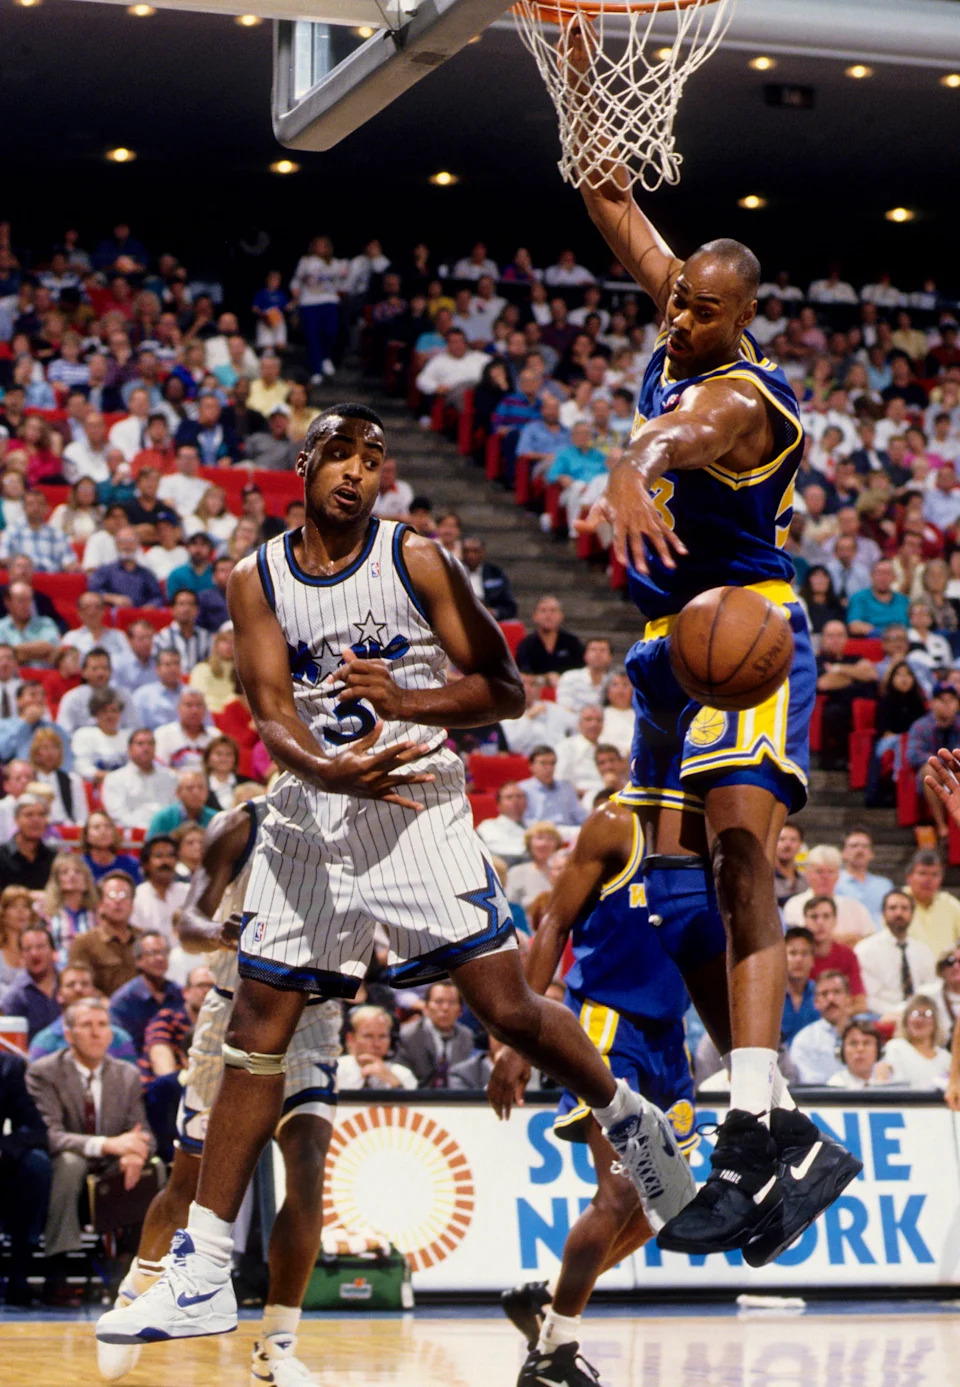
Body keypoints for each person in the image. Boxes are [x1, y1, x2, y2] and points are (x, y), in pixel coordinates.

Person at [97, 401, 678, 1348]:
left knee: (506, 1007)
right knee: (255, 1021)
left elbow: (504, 689)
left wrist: (406, 700)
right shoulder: (255, 578)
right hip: (309, 807)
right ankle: (203, 1269)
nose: (358, 471)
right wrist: (326, 771)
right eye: (341, 453)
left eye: (374, 459)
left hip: (415, 801)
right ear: (304, 464)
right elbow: (269, 709)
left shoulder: (415, 559)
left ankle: (633, 1120)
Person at [96, 798, 342, 1385]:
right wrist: (217, 933)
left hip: (314, 1020)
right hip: (236, 1014)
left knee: (308, 1168)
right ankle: (137, 1291)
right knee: (189, 1186)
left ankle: (277, 1344)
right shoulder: (242, 824)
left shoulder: (361, 829)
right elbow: (187, 923)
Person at [26, 997, 156, 1297]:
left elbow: (144, 1132)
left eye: (102, 1025)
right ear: (69, 1034)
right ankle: (59, 1266)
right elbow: (51, 1136)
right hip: (66, 1161)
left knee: (152, 1166)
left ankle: (134, 1262)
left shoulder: (127, 1074)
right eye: (87, 1025)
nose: (96, 1033)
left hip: (112, 1164)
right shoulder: (44, 1072)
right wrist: (108, 1144)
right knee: (70, 1163)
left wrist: (136, 1152)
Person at [0, 1048, 51, 1306]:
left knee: (36, 1165)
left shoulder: (8, 1067)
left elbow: (36, 1130)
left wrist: (4, 1148)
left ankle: (19, 1273)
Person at [28, 962, 138, 1063]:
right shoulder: (43, 1042)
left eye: (85, 984)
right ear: (59, 995)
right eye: (71, 985)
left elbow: (129, 1077)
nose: (78, 989)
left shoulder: (120, 1038)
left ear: (94, 993)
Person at [855, 889, 936, 1023]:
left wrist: (914, 1013)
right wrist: (900, 1014)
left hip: (919, 1018)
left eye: (904, 908)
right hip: (881, 1018)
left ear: (912, 914)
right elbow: (868, 997)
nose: (899, 913)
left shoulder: (923, 951)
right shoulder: (866, 950)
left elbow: (931, 989)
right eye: (893, 908)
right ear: (883, 914)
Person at [109, 931, 185, 1056]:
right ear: (138, 961)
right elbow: (120, 1045)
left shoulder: (180, 993)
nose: (160, 958)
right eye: (152, 953)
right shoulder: (122, 1001)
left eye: (164, 952)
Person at [67, 871, 140, 997]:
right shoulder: (83, 943)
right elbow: (78, 985)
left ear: (132, 904)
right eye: (112, 895)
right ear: (100, 905)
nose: (118, 900)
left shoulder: (143, 939)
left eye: (124, 895)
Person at [782, 844, 875, 944]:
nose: (825, 877)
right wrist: (849, 939)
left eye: (831, 872)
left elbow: (870, 941)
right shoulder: (794, 905)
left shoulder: (855, 907)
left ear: (838, 875)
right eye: (819, 872)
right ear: (807, 874)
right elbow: (800, 941)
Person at [395, 982, 474, 1088]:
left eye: (452, 1002)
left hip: (457, 1096)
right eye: (438, 1001)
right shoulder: (408, 1036)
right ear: (426, 1008)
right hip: (416, 1095)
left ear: (460, 1010)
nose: (445, 1008)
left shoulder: (467, 1037)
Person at [102, 728, 178, 830]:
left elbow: (176, 810)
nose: (146, 748)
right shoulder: (115, 779)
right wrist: (148, 829)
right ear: (129, 749)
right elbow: (118, 816)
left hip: (168, 832)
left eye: (150, 743)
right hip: (133, 833)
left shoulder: (170, 777)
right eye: (140, 744)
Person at [788, 971, 855, 1085]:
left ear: (848, 998)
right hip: (822, 1095)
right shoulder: (805, 1040)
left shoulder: (865, 1036)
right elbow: (807, 1084)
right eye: (824, 994)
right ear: (816, 1002)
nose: (831, 998)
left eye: (837, 992)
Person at [0, 923, 61, 1038]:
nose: (34, 954)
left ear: (53, 950)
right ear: (21, 955)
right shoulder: (15, 996)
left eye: (40, 947)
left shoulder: (68, 983)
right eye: (27, 949)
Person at [337, 1005, 417, 1090]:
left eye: (383, 1036)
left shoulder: (403, 1075)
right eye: (368, 1036)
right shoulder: (334, 1071)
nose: (377, 1044)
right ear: (351, 1038)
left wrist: (395, 1084)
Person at [881, 994, 952, 1088]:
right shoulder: (895, 1047)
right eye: (915, 1014)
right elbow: (882, 1078)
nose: (920, 1020)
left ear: (936, 1022)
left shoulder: (946, 1058)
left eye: (927, 1014)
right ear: (906, 1020)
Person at [902, 846, 960, 958]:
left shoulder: (950, 904)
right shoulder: (897, 903)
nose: (928, 880)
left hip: (945, 967)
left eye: (935, 875)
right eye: (922, 873)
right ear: (909, 877)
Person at [42, 852, 98, 963]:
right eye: (64, 872)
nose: (72, 875)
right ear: (57, 880)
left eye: (78, 871)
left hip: (90, 965)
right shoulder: (46, 912)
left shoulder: (97, 912)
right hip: (58, 965)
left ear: (86, 879)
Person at [514, 596, 585, 682]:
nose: (548, 615)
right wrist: (546, 678)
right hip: (536, 689)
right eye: (543, 611)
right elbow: (522, 675)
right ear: (535, 616)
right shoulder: (526, 645)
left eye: (553, 611)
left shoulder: (573, 642)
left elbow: (583, 671)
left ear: (561, 616)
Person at [131, 836, 189, 942]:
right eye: (159, 856)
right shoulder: (136, 897)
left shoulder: (188, 892)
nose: (165, 861)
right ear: (146, 864)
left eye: (170, 855)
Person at [836, 827, 894, 926]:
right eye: (854, 846)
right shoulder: (834, 881)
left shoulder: (884, 885)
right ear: (843, 853)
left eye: (865, 846)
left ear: (871, 854)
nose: (860, 850)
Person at [0, 793, 57, 891]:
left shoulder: (53, 858)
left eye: (41, 815)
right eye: (29, 815)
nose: (36, 820)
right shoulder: (2, 855)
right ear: (16, 820)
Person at [459, 536, 518, 622]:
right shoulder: (454, 573)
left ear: (482, 552)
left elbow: (511, 608)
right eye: (467, 551)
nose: (471, 555)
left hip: (491, 622)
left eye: (475, 551)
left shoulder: (496, 573)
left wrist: (494, 612)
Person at [476, 781, 529, 867]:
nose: (515, 800)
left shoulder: (534, 828)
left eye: (519, 796)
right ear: (498, 805)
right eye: (509, 797)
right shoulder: (487, 826)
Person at [827, 1020, 891, 1090]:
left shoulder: (890, 1079)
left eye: (867, 1043)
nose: (860, 1049)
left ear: (878, 1051)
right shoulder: (835, 1084)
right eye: (853, 1043)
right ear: (841, 1051)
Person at [781, 926, 819, 1045]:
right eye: (793, 953)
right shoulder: (770, 996)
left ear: (813, 959)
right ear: (781, 958)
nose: (799, 959)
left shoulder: (821, 994)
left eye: (804, 953)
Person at [81, 810, 141, 884]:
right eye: (96, 827)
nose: (103, 831)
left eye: (107, 827)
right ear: (87, 836)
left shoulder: (131, 864)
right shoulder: (80, 865)